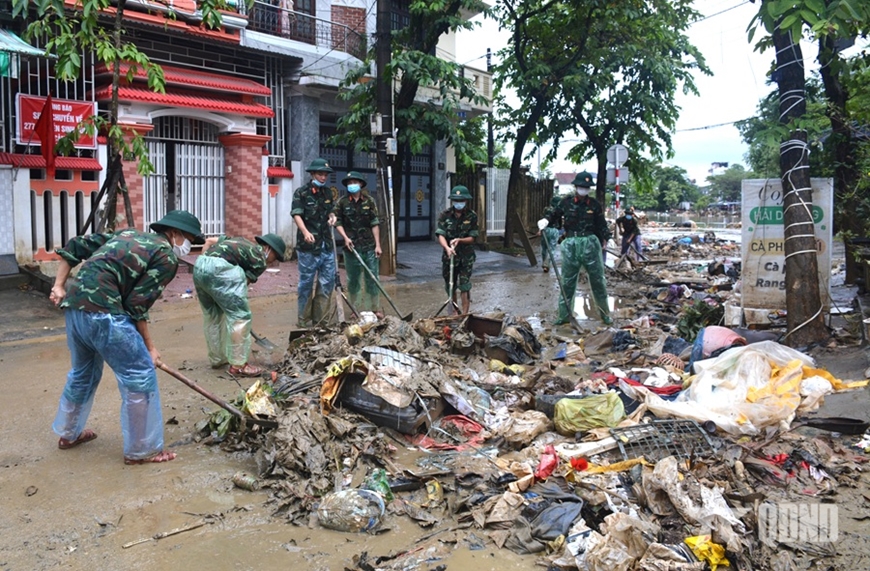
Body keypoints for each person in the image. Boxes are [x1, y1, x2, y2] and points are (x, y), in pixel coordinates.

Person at [49, 210, 205, 465]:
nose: (188, 246)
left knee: (83, 374)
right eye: (189, 239)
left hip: (75, 308)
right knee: (139, 375)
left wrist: (59, 285)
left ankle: (68, 434)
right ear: (174, 233)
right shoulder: (165, 256)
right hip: (104, 313)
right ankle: (143, 451)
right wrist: (150, 348)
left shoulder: (127, 234)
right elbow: (136, 305)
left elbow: (75, 246)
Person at [193, 233, 286, 377]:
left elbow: (209, 241)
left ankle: (217, 359)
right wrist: (231, 304)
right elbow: (242, 285)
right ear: (268, 248)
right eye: (276, 256)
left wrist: (207, 269)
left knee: (213, 315)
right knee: (240, 317)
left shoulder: (238, 240)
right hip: (220, 270)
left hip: (200, 266)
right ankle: (238, 366)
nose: (273, 261)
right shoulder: (260, 261)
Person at [538, 171, 612, 326]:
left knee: (598, 280)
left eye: (586, 187)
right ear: (576, 186)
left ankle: (604, 313)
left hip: (590, 243)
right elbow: (554, 214)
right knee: (567, 281)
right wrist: (545, 220)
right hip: (571, 243)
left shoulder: (594, 205)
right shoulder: (566, 202)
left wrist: (607, 238)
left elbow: (601, 224)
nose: (583, 189)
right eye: (581, 186)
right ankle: (564, 315)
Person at [291, 158, 337, 327]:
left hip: (326, 245)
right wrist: (305, 232)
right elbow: (296, 214)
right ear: (312, 174)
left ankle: (321, 320)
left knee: (327, 283)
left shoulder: (328, 193)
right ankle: (303, 320)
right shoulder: (301, 193)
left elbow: (331, 211)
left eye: (325, 175)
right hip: (308, 247)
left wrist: (332, 217)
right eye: (320, 174)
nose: (323, 177)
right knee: (306, 284)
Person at [333, 171, 383, 316]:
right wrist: (345, 237)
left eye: (355, 182)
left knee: (372, 278)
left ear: (361, 184)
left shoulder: (369, 201)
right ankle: (354, 309)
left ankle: (375, 308)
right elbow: (337, 222)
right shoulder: (342, 202)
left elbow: (374, 223)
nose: (352, 185)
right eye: (349, 183)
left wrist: (378, 245)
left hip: (369, 246)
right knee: (353, 280)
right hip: (351, 247)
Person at [436, 185, 479, 315]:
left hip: (466, 257)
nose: (458, 203)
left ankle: (464, 314)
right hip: (449, 256)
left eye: (461, 201)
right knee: (450, 284)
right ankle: (454, 312)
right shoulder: (445, 215)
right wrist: (447, 248)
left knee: (464, 285)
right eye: (456, 200)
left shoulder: (472, 216)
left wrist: (460, 240)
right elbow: (440, 234)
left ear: (466, 201)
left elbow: (473, 237)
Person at [540, 193, 563, 272]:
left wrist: (540, 229)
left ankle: (544, 262)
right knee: (552, 248)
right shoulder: (558, 210)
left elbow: (543, 219)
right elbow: (560, 222)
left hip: (545, 230)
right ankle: (546, 264)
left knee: (544, 248)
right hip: (554, 230)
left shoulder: (546, 209)